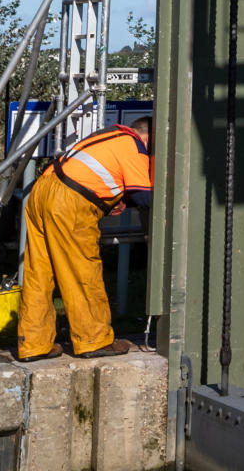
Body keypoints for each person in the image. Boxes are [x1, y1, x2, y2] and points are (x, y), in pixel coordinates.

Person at [16, 115, 153, 362]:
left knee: (39, 273)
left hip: (43, 189)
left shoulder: (108, 135)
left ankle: (34, 344)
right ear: (148, 137)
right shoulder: (135, 146)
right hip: (70, 201)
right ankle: (94, 339)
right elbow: (144, 197)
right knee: (82, 269)